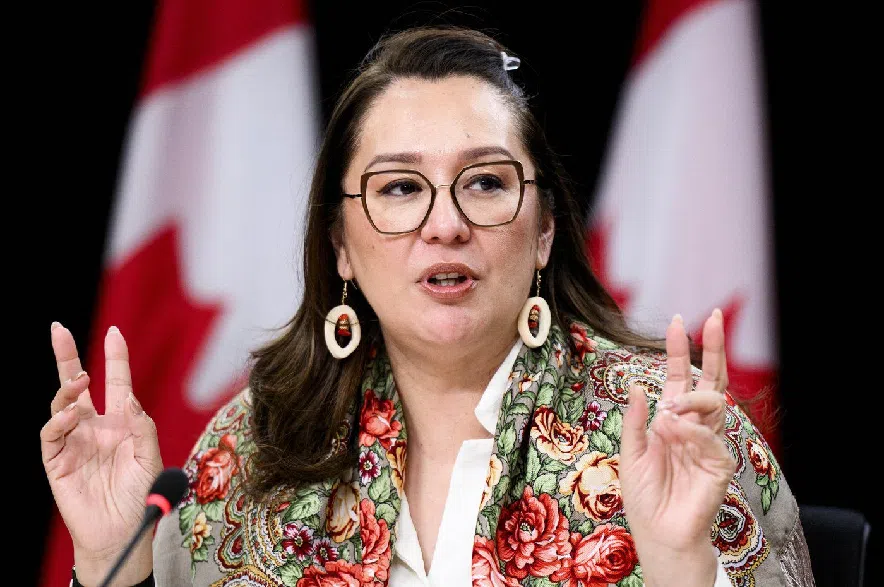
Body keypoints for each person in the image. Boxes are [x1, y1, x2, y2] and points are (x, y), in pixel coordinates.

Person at [40, 26, 814, 587]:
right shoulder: (254, 445)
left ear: (543, 231)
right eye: (401, 188)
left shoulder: (673, 431)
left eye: (484, 182)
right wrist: (115, 557)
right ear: (340, 246)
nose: (445, 223)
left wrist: (684, 568)